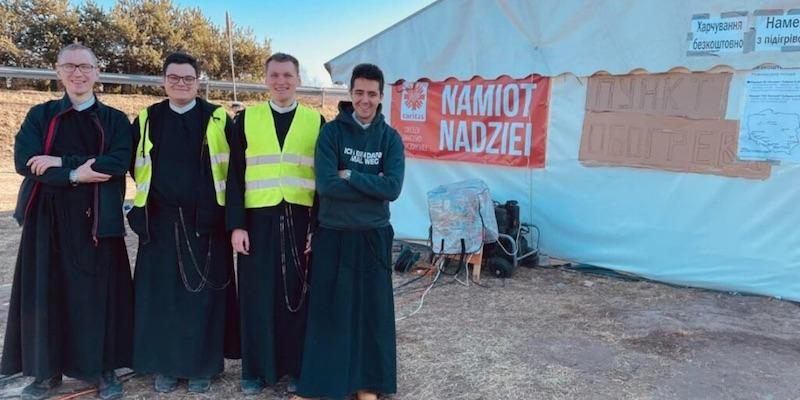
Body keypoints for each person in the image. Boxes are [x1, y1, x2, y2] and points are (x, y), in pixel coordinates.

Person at [1, 43, 133, 400]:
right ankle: (46, 374)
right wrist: (76, 172)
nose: (78, 73)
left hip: (97, 222)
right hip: (47, 220)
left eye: (85, 67)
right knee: (47, 294)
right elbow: (25, 161)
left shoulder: (116, 121)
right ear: (57, 71)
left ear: (97, 73)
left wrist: (57, 163)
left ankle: (103, 369)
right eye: (70, 66)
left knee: (97, 297)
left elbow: (116, 163)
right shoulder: (40, 115)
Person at [128, 52, 239, 394]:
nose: (181, 83)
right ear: (164, 81)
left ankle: (201, 367)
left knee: (202, 298)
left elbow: (234, 170)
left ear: (198, 81)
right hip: (159, 223)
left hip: (206, 223)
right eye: (174, 78)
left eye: (187, 78)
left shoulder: (218, 118)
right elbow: (134, 164)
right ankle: (165, 366)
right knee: (161, 297)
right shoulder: (148, 118)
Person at [295, 63, 405, 400]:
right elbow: (327, 185)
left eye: (372, 94)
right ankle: (323, 385)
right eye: (359, 92)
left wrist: (352, 176)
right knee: (330, 312)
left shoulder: (390, 138)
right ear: (350, 93)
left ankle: (368, 385)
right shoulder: (331, 133)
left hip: (372, 235)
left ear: (381, 96)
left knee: (372, 314)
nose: (365, 99)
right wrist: (368, 185)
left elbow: (393, 188)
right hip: (334, 233)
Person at [226, 52, 324, 395]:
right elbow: (234, 176)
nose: (281, 81)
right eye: (275, 75)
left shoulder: (316, 121)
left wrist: (317, 226)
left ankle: (295, 367)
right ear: (266, 79)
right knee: (256, 295)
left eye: (288, 75)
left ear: (298, 79)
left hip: (299, 219)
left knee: (297, 295)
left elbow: (322, 180)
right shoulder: (245, 120)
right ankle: (255, 369)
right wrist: (236, 226)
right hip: (258, 219)